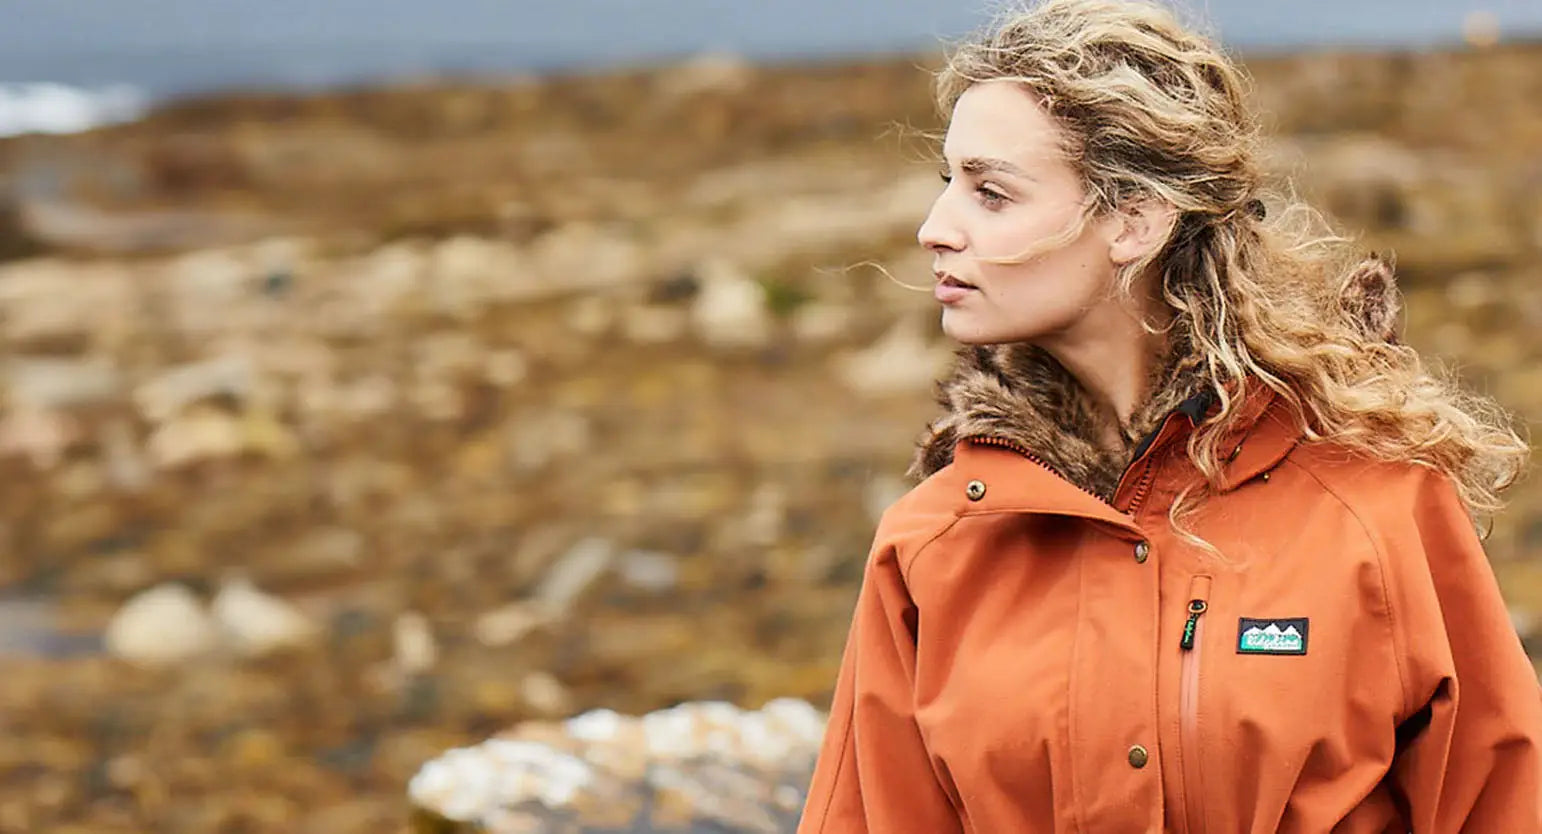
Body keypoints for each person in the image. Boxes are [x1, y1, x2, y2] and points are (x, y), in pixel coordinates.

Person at [795, 1, 1542, 832]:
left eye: (991, 194)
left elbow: (1503, 807)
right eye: (949, 188)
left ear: (1134, 220)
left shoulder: (1378, 507)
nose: (936, 230)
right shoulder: (932, 547)